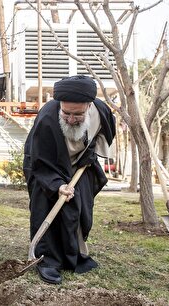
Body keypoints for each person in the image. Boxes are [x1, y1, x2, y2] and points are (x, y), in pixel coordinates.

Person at [23, 75, 116, 285]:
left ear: (89, 106)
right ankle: (47, 259)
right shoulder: (47, 118)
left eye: (78, 114)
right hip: (44, 163)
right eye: (66, 113)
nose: (71, 119)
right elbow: (41, 161)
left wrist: (90, 153)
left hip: (79, 165)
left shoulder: (100, 111)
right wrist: (58, 185)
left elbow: (106, 132)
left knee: (80, 205)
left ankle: (73, 252)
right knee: (45, 205)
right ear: (59, 106)